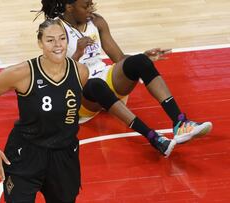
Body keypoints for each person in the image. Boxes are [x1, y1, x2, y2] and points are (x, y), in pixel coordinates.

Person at [38, 0, 212, 157]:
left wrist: (142, 58)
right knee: (95, 85)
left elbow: (119, 59)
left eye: (91, 4)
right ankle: (153, 137)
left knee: (139, 61)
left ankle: (180, 122)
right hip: (79, 92)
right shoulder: (56, 30)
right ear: (69, 7)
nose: (90, 9)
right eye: (85, 6)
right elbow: (57, 77)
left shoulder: (97, 22)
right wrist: (77, 53)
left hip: (103, 76)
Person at [0, 18, 88, 203]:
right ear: (40, 43)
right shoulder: (21, 73)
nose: (58, 45)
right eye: (50, 40)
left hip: (64, 155)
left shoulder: (80, 72)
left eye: (62, 38)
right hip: (26, 153)